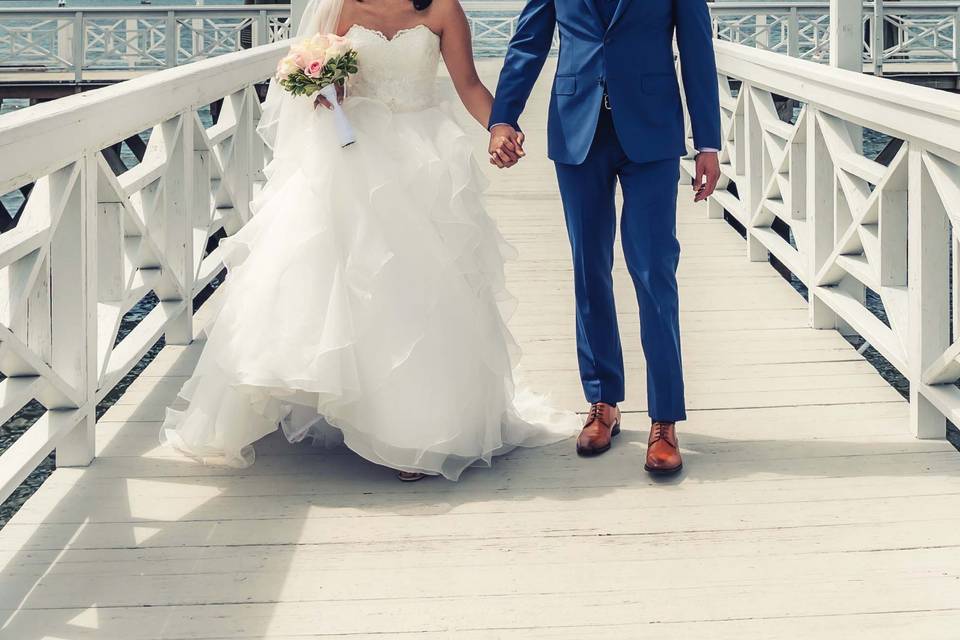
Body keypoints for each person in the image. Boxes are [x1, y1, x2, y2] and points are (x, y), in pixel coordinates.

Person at [159, 0, 580, 482]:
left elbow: (467, 84)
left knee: (418, 291)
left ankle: (417, 430)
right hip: (353, 153)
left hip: (424, 157)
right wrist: (320, 91)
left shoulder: (442, 7)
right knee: (352, 282)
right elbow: (321, 87)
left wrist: (500, 128)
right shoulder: (341, 7)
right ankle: (349, 401)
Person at [487, 0, 722, 474]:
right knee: (588, 268)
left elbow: (698, 50)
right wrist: (502, 118)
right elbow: (528, 44)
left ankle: (664, 419)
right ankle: (603, 402)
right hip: (578, 128)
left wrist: (708, 143)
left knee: (655, 269)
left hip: (652, 133)